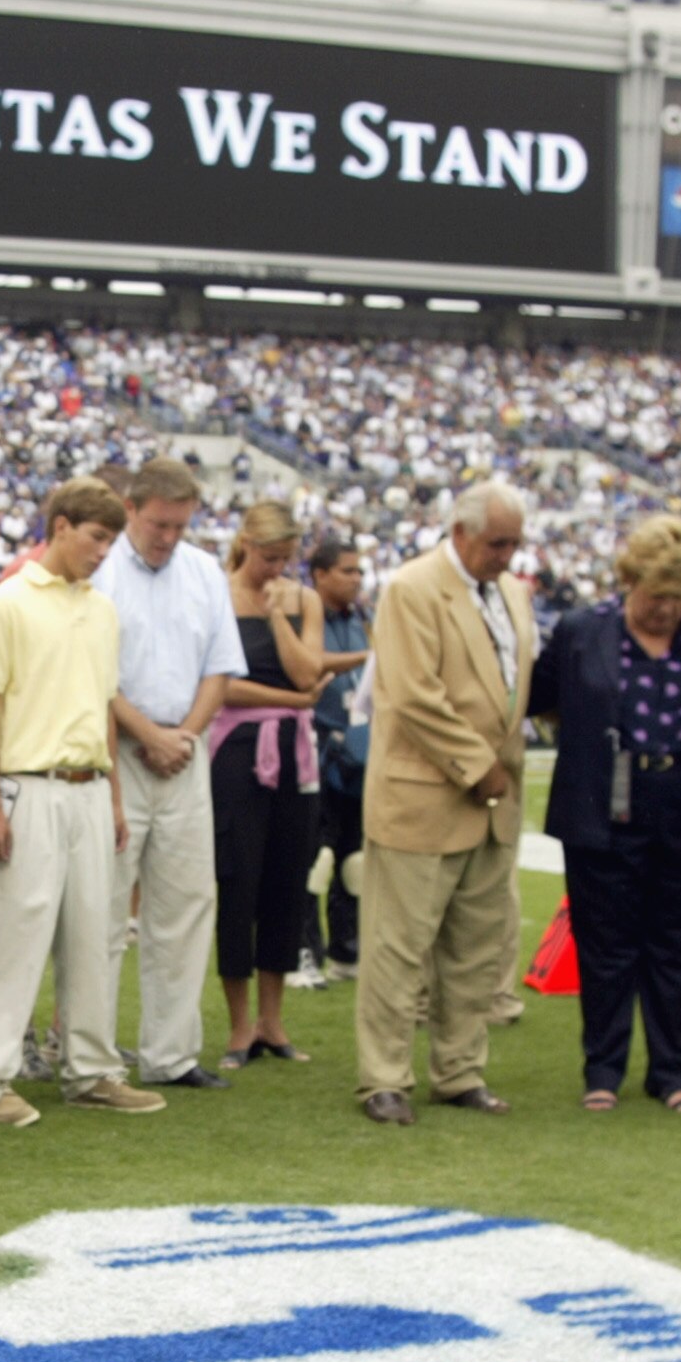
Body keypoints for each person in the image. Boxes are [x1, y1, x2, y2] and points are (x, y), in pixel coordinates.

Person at [0, 478, 162, 1125]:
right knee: (16, 935)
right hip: (28, 785)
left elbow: (102, 706)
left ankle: (91, 1069)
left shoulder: (101, 610)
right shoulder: (7, 603)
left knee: (94, 935)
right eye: (96, 537)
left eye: (110, 540)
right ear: (62, 527)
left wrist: (113, 799)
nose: (102, 551)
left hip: (88, 787)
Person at [353, 482, 535, 1125]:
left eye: (514, 543)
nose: (507, 556)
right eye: (496, 543)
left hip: (493, 801)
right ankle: (384, 1076)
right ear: (459, 532)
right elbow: (411, 694)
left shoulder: (511, 593)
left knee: (477, 948)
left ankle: (460, 1071)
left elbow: (515, 687)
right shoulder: (412, 588)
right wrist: (477, 764)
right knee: (398, 946)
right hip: (425, 794)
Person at [534, 518, 681, 1113]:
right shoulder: (581, 631)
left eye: (678, 598)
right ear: (628, 582)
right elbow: (542, 699)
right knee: (606, 943)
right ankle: (603, 1068)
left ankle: (671, 1071)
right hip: (604, 802)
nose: (666, 610)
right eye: (655, 597)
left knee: (676, 943)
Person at [96, 456, 242, 1093]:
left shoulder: (204, 570)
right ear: (131, 509)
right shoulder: (100, 571)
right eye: (159, 524)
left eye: (180, 526)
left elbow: (221, 665)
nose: (169, 537)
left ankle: (172, 1053)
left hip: (184, 750)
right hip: (118, 750)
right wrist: (148, 734)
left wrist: (182, 734)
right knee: (103, 908)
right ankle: (93, 1054)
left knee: (183, 908)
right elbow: (92, 675)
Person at [209, 500, 329, 1069]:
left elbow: (311, 673)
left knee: (287, 880)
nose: (275, 568)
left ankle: (272, 1021)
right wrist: (292, 700)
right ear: (245, 545)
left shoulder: (302, 599)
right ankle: (237, 1025)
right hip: (234, 753)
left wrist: (278, 614)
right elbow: (222, 687)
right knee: (238, 880)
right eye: (267, 557)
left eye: (285, 558)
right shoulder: (216, 594)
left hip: (294, 756)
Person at [299, 540, 372, 985]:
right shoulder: (306, 616)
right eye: (347, 571)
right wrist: (368, 658)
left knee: (354, 858)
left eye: (359, 571)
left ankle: (347, 951)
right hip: (316, 747)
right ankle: (305, 951)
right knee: (314, 856)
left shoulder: (364, 619)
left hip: (358, 751)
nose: (356, 579)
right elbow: (309, 666)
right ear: (320, 574)